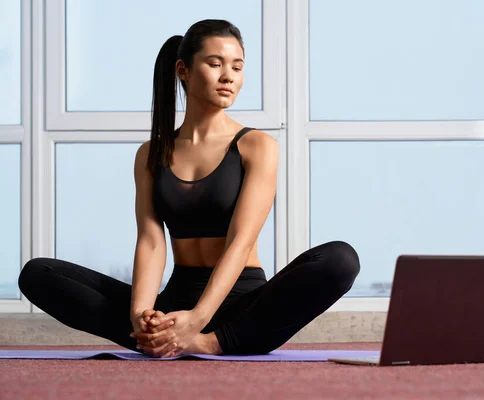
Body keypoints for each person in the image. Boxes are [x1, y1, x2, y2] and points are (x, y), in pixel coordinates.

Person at [18, 19, 360, 357]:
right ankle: (156, 337)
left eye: (237, 67)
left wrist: (197, 322)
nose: (228, 76)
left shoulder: (256, 145)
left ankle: (210, 343)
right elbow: (151, 241)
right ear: (183, 69)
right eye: (215, 64)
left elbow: (240, 244)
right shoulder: (152, 153)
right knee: (39, 274)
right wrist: (142, 315)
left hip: (242, 311)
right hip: (173, 304)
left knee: (339, 259)